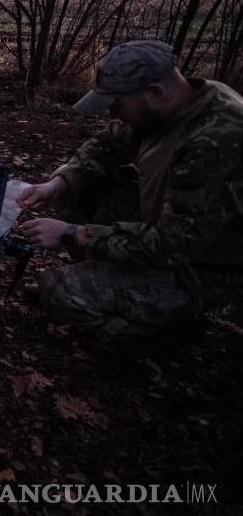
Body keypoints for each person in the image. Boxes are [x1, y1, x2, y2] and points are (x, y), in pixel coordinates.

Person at [19, 40, 243, 338]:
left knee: (60, 294)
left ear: (155, 92)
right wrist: (58, 183)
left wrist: (72, 233)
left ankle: (173, 328)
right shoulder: (175, 102)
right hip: (171, 234)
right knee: (76, 189)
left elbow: (169, 246)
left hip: (205, 269)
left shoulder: (214, 142)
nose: (113, 114)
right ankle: (102, 280)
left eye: (117, 105)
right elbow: (107, 145)